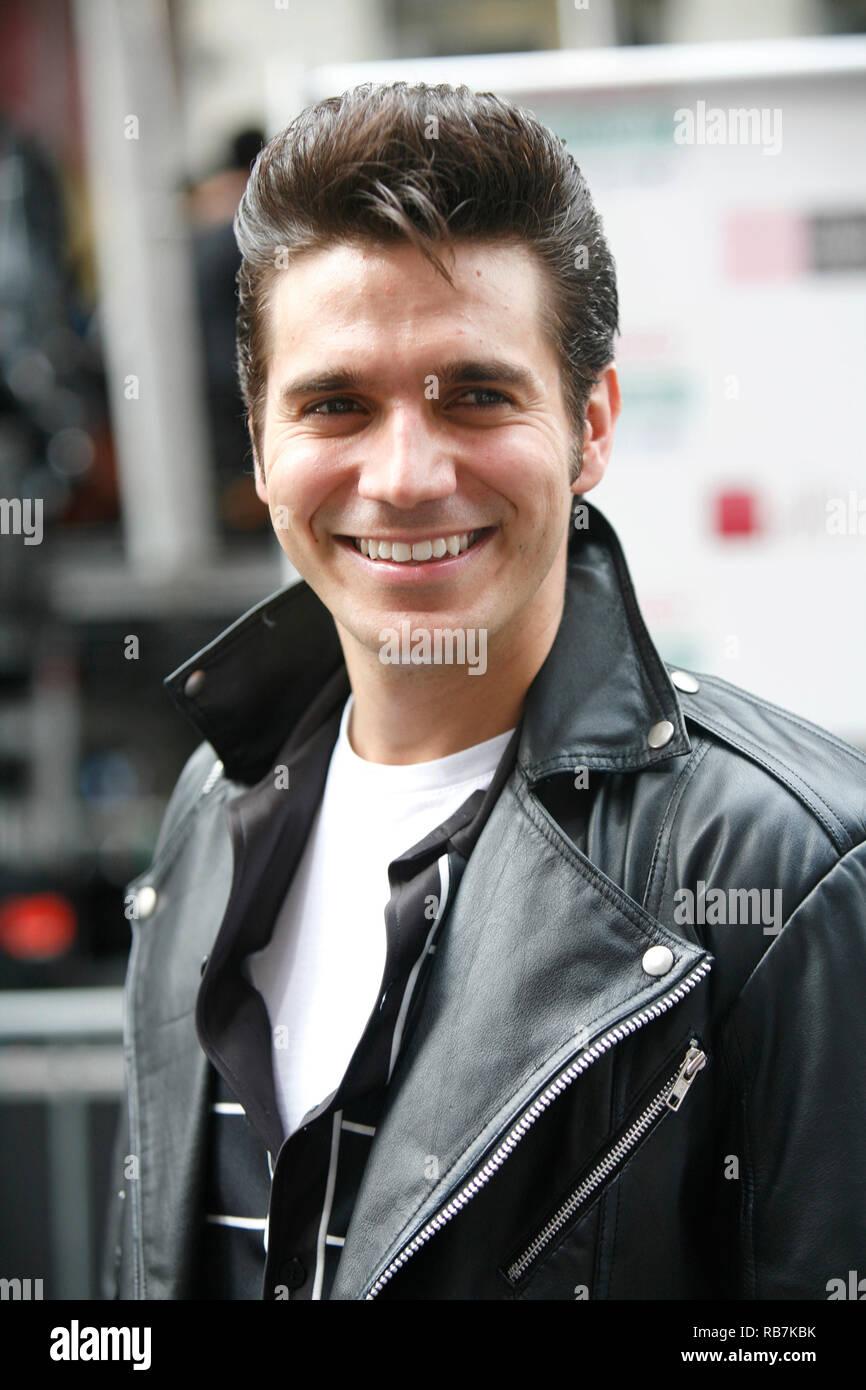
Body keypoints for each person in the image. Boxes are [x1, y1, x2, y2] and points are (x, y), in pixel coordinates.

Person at [103, 81, 866, 1301]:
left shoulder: (791, 862)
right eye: (336, 403)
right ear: (259, 446)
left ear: (592, 422)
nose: (404, 475)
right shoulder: (217, 800)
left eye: (475, 393)